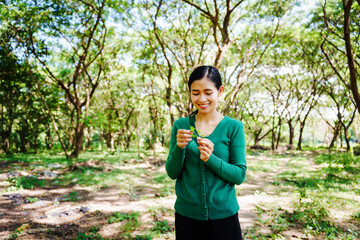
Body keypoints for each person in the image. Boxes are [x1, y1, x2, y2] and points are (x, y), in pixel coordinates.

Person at [165, 65, 247, 240]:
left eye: (208, 92)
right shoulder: (180, 126)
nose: (202, 98)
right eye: (195, 93)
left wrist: (211, 159)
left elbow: (239, 175)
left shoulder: (234, 127)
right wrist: (179, 149)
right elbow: (172, 173)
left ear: (220, 91)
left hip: (224, 219)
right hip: (187, 219)